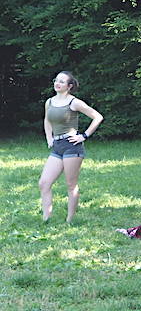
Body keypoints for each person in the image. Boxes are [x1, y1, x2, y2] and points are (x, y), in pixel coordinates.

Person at [39, 71, 104, 222]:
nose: (58, 83)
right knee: (44, 182)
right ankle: (46, 218)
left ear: (69, 86)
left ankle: (70, 220)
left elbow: (97, 117)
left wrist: (84, 135)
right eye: (56, 80)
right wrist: (49, 138)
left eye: (62, 81)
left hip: (72, 147)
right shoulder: (49, 102)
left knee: (70, 184)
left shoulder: (74, 102)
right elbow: (47, 120)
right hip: (57, 146)